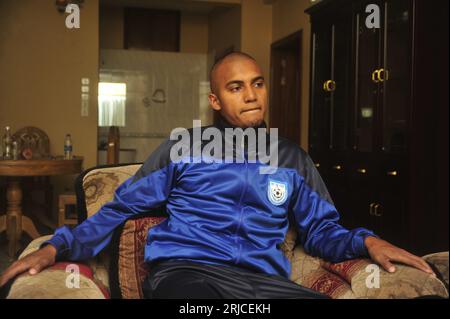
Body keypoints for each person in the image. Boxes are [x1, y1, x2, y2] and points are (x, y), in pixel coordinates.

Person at [0, 52, 434, 298]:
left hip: (262, 283)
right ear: (215, 100)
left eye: (258, 83)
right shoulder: (184, 148)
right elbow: (119, 209)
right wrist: (57, 246)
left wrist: (367, 240)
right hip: (185, 276)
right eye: (235, 87)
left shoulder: (291, 158)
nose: (251, 95)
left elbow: (321, 230)